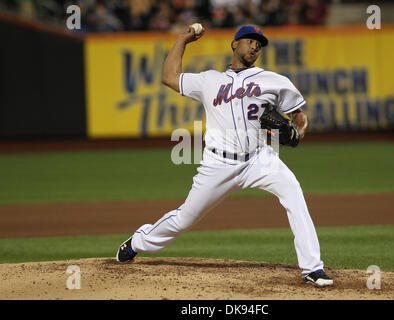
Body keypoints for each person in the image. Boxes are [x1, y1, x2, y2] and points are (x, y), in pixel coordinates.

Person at [116, 25, 333, 287]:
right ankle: (138, 241)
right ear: (234, 44)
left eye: (259, 44)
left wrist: (298, 132)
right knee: (185, 218)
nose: (255, 46)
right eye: (250, 41)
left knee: (294, 193)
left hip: (259, 158)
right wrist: (183, 39)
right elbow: (169, 76)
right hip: (218, 163)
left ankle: (312, 268)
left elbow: (299, 114)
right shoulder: (209, 80)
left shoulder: (274, 80)